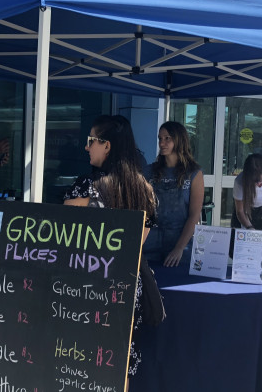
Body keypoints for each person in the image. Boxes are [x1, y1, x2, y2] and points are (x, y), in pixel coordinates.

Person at [63, 116, 157, 382]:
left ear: (107, 146)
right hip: (126, 286)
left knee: (79, 360)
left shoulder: (85, 188)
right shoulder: (145, 191)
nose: (86, 147)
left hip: (86, 284)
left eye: (91, 140)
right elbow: (137, 244)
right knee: (120, 363)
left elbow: (66, 238)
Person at [143, 121, 203, 267]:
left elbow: (194, 215)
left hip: (180, 241)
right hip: (151, 240)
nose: (162, 143)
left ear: (179, 140)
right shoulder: (149, 171)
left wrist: (179, 248)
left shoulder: (193, 173)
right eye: (160, 138)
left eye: (167, 138)